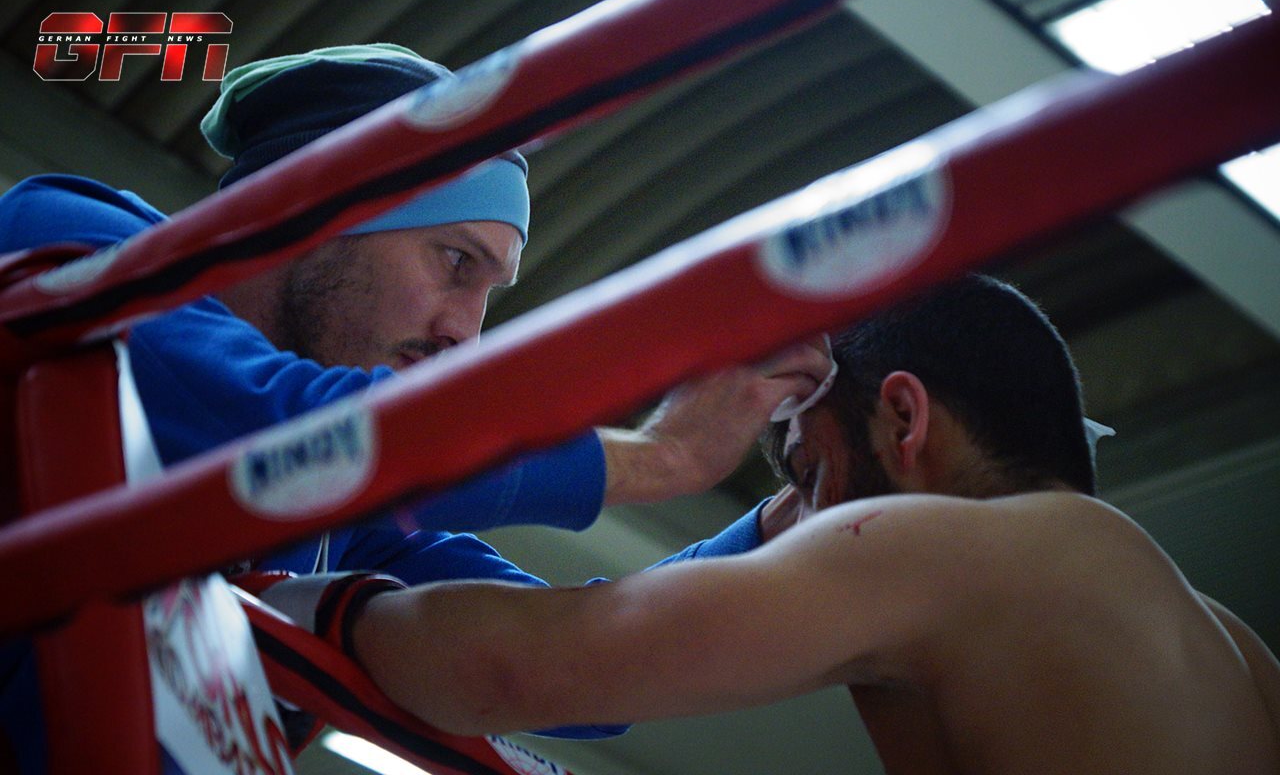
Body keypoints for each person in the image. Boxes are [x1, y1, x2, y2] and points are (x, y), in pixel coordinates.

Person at [0, 44, 831, 771]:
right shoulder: (71, 233)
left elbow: (580, 667)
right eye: (454, 262)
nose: (461, 333)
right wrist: (662, 458)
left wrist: (785, 522)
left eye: (487, 295)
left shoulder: (340, 523)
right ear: (310, 211)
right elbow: (290, 423)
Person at [328, 275, 1279, 773]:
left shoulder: (949, 554)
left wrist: (293, 590)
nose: (805, 524)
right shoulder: (1231, 649)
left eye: (808, 472)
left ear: (903, 419)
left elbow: (505, 671)